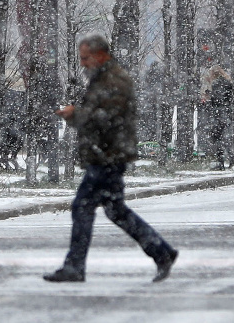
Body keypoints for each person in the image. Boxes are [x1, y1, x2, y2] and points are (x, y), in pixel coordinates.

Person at [45, 35, 178, 283]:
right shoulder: (103, 79)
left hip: (108, 156)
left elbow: (106, 118)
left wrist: (76, 114)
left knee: (83, 207)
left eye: (86, 58)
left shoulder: (114, 80)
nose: (83, 63)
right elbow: (101, 115)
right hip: (105, 154)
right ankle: (162, 253)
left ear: (101, 55)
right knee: (116, 211)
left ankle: (75, 266)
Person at [202, 64, 234, 170]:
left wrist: (209, 97)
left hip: (219, 113)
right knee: (221, 136)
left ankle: (222, 161)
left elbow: (216, 99)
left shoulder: (217, 83)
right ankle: (230, 155)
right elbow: (228, 98)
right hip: (226, 112)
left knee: (216, 137)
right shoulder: (228, 83)